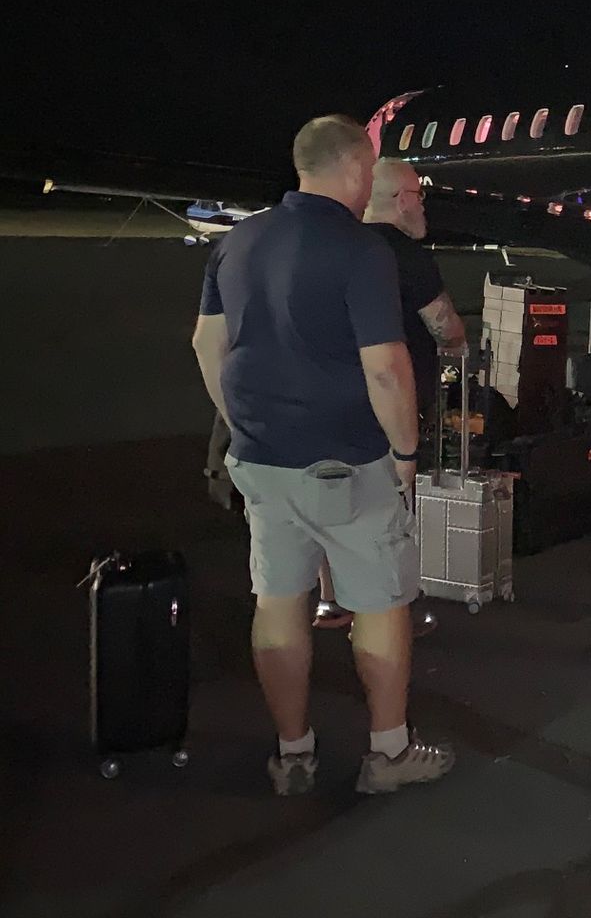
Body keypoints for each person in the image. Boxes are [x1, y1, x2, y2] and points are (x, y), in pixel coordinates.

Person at [191, 115, 453, 797]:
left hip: (261, 459)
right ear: (355, 168)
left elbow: (204, 345)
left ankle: (294, 753)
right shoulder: (361, 249)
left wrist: (240, 418)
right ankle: (389, 755)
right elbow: (388, 370)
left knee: (278, 601)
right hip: (345, 459)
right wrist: (403, 453)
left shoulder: (238, 241)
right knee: (380, 602)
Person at [312, 159, 467, 629]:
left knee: (332, 501)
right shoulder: (406, 255)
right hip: (387, 401)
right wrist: (457, 345)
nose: (422, 205)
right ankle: (383, 609)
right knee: (387, 506)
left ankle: (330, 598)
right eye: (419, 195)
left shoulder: (335, 244)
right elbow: (445, 327)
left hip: (328, 394)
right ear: (401, 199)